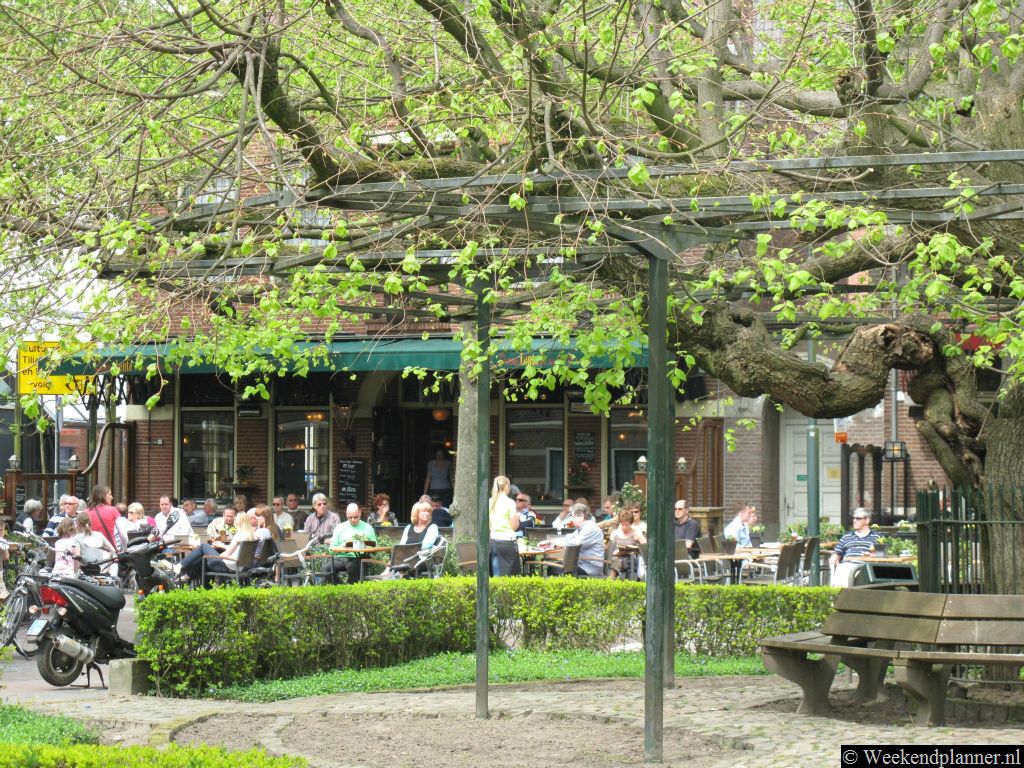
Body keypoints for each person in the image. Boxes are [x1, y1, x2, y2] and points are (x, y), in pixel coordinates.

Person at [179, 511, 256, 586]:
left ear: (238, 522)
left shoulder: (239, 535)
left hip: (229, 566)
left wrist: (216, 556)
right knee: (204, 559)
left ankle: (181, 566)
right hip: (240, 566)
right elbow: (236, 549)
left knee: (204, 546)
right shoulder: (251, 535)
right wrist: (219, 548)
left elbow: (226, 554)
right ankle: (187, 574)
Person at [328, 503, 377, 584]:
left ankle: (351, 589)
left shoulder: (368, 528)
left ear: (360, 513)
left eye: (355, 517)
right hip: (341, 557)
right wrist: (342, 546)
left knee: (353, 566)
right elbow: (331, 550)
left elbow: (374, 548)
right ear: (346, 514)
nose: (353, 520)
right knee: (326, 569)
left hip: (359, 557)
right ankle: (341, 589)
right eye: (350, 517)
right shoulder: (340, 527)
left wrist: (364, 545)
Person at [398, 500, 440, 578]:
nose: (427, 513)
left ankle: (390, 576)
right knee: (395, 558)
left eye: (428, 511)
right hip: (406, 558)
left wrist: (410, 551)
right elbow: (402, 545)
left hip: (422, 560)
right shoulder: (408, 528)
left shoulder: (432, 527)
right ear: (416, 513)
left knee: (399, 564)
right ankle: (387, 574)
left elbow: (427, 545)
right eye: (424, 511)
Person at [488, 476, 520, 576]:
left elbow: (489, 524)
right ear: (507, 487)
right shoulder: (510, 502)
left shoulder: (490, 502)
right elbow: (514, 526)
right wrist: (517, 518)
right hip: (507, 542)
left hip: (493, 541)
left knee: (496, 575)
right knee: (509, 577)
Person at [564, 504, 605, 577]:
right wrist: (551, 542)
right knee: (558, 567)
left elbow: (575, 543)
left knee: (553, 569)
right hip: (583, 563)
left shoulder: (589, 528)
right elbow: (569, 538)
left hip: (590, 567)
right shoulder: (582, 528)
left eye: (573, 517)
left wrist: (559, 545)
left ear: (581, 516)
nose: (571, 520)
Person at [88, 485, 130, 551]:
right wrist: (125, 549)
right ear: (103, 496)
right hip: (109, 551)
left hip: (90, 550)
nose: (112, 497)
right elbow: (123, 534)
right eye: (110, 494)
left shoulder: (85, 512)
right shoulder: (113, 510)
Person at [609, 509, 646, 580]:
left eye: (627, 525)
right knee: (617, 560)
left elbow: (645, 548)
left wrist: (639, 540)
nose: (624, 527)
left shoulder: (636, 533)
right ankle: (611, 580)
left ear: (631, 524)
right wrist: (617, 552)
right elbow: (610, 552)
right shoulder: (614, 533)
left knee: (625, 560)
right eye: (622, 524)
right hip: (616, 557)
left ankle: (610, 580)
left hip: (631, 559)